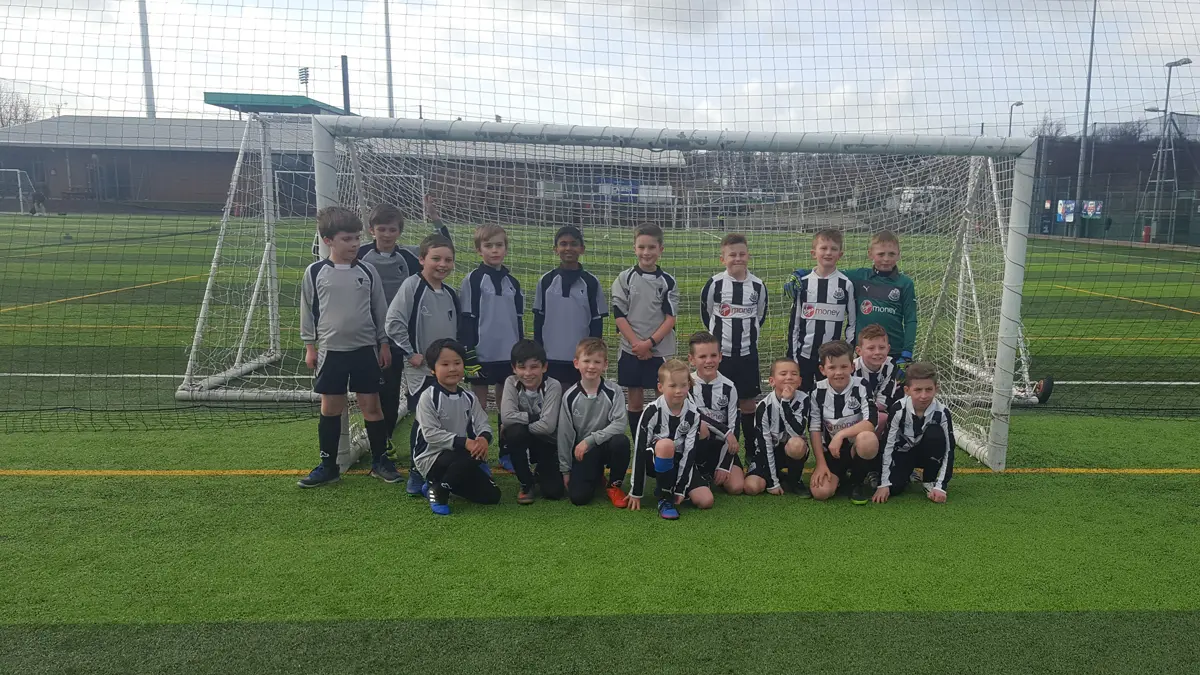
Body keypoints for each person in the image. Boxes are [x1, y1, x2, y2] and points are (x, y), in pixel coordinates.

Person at [297, 206, 397, 488]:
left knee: (371, 406)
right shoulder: (315, 272)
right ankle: (328, 466)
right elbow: (308, 310)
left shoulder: (368, 271)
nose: (354, 244)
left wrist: (384, 343)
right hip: (331, 351)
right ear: (328, 240)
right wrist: (309, 346)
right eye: (347, 239)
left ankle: (380, 461)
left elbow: (380, 310)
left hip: (365, 349)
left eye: (356, 238)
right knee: (331, 407)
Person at [357, 199, 451, 461]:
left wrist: (435, 219)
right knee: (376, 390)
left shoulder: (408, 257)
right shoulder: (360, 255)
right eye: (382, 229)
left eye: (392, 229)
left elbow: (443, 247)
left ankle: (394, 439)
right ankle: (379, 439)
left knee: (398, 391)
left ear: (400, 231)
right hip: (370, 335)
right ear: (371, 229)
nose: (387, 234)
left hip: (404, 338)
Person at [385, 233, 461, 496]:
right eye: (436, 259)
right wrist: (410, 353)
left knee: (446, 419)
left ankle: (439, 472)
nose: (442, 264)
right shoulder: (412, 286)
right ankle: (416, 473)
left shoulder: (450, 293)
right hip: (421, 371)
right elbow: (393, 322)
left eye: (448, 260)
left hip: (446, 371)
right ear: (421, 259)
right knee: (423, 421)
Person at [785, 231, 917, 371]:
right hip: (865, 350)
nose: (886, 259)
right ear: (870, 254)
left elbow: (911, 319)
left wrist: (907, 353)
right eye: (881, 254)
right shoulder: (859, 276)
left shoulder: (905, 283)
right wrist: (799, 273)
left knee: (893, 385)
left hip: (894, 350)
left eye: (891, 254)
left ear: (899, 255)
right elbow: (827, 270)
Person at [699, 233, 768, 468]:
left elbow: (760, 316)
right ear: (723, 259)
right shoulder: (714, 284)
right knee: (722, 403)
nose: (737, 258)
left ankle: (750, 448)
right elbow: (707, 314)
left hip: (747, 354)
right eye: (732, 255)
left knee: (748, 404)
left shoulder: (757, 285)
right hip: (721, 357)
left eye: (742, 254)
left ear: (748, 256)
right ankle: (723, 449)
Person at [460, 224, 523, 472]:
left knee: (507, 407)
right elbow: (467, 319)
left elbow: (518, 321)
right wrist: (469, 355)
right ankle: (477, 455)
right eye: (488, 246)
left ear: (506, 248)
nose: (494, 250)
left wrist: (520, 351)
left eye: (499, 245)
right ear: (479, 250)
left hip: (508, 354)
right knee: (478, 407)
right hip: (481, 354)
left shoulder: (513, 282)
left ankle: (506, 453)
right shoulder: (473, 280)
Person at [413, 338, 500, 515]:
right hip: (431, 457)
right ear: (433, 369)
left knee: (492, 496)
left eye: (457, 363)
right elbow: (431, 434)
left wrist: (483, 439)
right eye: (445, 364)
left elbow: (483, 424)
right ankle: (439, 492)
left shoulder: (469, 397)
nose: (452, 369)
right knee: (469, 456)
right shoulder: (428, 397)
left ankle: (437, 484)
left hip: (462, 455)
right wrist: (466, 443)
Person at [612, 222, 679, 436]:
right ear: (634, 248)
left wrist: (649, 344)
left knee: (664, 396)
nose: (646, 252)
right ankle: (639, 441)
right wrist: (637, 345)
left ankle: (662, 438)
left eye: (651, 247)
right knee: (634, 399)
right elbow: (619, 316)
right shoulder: (624, 278)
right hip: (631, 348)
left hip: (659, 350)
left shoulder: (668, 281)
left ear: (661, 249)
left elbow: (670, 319)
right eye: (641, 247)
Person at [629, 359, 714, 520]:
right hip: (655, 460)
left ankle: (674, 486)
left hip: (678, 460)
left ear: (689, 385)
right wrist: (636, 491)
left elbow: (689, 452)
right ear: (660, 387)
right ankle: (665, 498)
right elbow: (640, 450)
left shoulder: (693, 414)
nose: (678, 391)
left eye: (683, 385)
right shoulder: (652, 411)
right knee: (666, 445)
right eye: (673, 386)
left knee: (706, 500)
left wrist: (681, 488)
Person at [556, 337, 630, 507]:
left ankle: (614, 486)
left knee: (621, 441)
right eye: (587, 361)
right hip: (583, 453)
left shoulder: (614, 391)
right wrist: (565, 471)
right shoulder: (569, 396)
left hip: (605, 445)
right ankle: (596, 474)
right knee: (578, 498)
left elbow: (619, 424)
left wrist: (590, 440)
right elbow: (565, 435)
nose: (591, 366)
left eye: (597, 362)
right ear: (576, 363)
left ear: (605, 365)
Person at [783, 229, 856, 391]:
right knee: (802, 396)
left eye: (833, 249)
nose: (828, 253)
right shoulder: (803, 283)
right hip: (804, 354)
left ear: (840, 254)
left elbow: (852, 323)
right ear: (813, 253)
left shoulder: (846, 284)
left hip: (833, 358)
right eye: (823, 248)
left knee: (829, 397)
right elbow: (794, 324)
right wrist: (793, 356)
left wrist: (848, 353)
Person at [807, 340, 879, 505]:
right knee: (821, 492)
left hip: (855, 448)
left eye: (844, 367)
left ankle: (856, 483)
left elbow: (870, 422)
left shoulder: (861, 386)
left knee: (868, 439)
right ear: (822, 370)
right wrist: (820, 464)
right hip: (832, 453)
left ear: (852, 367)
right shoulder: (817, 391)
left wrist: (840, 435)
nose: (838, 372)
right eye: (832, 367)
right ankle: (839, 477)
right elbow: (814, 428)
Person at [533, 226, 606, 387]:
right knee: (552, 397)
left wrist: (593, 353)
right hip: (551, 355)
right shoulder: (545, 281)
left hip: (581, 358)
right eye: (563, 244)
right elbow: (538, 319)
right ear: (555, 249)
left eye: (573, 244)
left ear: (582, 249)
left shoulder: (591, 282)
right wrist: (538, 352)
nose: (568, 248)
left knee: (579, 397)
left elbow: (597, 321)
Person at [872, 362, 955, 505]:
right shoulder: (898, 409)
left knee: (935, 434)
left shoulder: (942, 412)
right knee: (894, 489)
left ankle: (929, 480)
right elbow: (888, 445)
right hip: (903, 453)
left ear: (936, 389)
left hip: (926, 454)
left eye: (929, 389)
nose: (923, 395)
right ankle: (906, 473)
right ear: (907, 390)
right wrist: (884, 483)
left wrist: (941, 486)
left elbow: (949, 449)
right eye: (918, 390)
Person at [499, 339, 563, 505]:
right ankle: (526, 483)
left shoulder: (553, 386)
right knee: (514, 433)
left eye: (534, 367)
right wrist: (535, 417)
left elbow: (548, 427)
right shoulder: (511, 382)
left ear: (544, 367)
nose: (528, 373)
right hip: (522, 438)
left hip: (548, 442)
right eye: (522, 367)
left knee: (554, 492)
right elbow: (506, 416)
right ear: (514, 368)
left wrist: (518, 424)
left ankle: (541, 471)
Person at [687, 331, 743, 495]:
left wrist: (724, 465)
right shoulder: (686, 385)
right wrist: (726, 432)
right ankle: (698, 469)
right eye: (702, 356)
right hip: (697, 446)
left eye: (713, 355)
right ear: (691, 359)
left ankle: (716, 469)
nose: (709, 361)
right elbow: (696, 417)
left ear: (720, 356)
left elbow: (734, 428)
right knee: (701, 426)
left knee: (736, 487)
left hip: (722, 446)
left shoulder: (729, 387)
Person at [744, 357, 810, 496]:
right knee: (752, 487)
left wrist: (785, 403)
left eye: (794, 374)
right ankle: (778, 476)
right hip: (768, 452)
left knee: (797, 444)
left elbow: (796, 432)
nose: (789, 377)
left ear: (799, 381)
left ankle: (794, 480)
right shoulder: (763, 406)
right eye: (783, 373)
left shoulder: (804, 399)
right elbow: (765, 445)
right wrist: (772, 482)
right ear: (772, 381)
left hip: (790, 450)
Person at [853, 324, 902, 439]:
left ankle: (876, 445)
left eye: (882, 348)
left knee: (883, 418)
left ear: (888, 349)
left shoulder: (890, 365)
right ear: (859, 351)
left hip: (875, 409)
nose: (877, 352)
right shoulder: (853, 368)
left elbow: (884, 401)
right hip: (856, 411)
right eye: (871, 348)